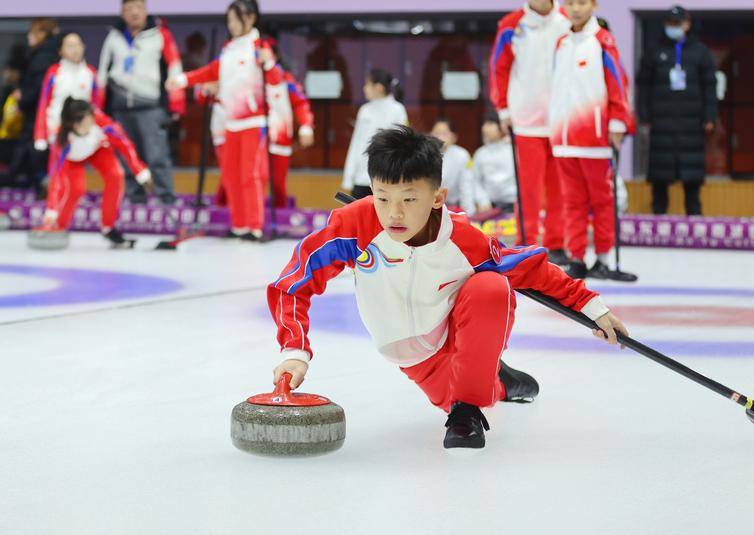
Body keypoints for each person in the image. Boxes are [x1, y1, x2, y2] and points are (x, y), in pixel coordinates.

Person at [267, 125, 629, 449]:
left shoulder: (461, 237)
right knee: (463, 391)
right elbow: (293, 282)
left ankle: (468, 411)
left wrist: (593, 307)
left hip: (459, 322)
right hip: (414, 352)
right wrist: (294, 350)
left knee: (491, 289)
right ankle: (498, 380)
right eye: (382, 197)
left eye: (409, 199)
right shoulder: (354, 224)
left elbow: (528, 267)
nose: (394, 214)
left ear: (437, 197)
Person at [166, 0, 283, 241]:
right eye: (228, 20)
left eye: (235, 19)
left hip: (253, 122)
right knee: (231, 175)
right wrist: (183, 80)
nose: (231, 24)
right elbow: (211, 71)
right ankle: (239, 225)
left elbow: (275, 80)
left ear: (250, 18)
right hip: (231, 123)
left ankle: (254, 226)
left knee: (250, 175)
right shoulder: (229, 49)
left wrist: (268, 62)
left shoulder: (259, 46)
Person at [549, 0, 634, 280]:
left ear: (594, 5)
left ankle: (603, 258)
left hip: (595, 140)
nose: (575, 8)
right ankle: (577, 258)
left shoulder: (603, 41)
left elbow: (618, 83)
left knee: (601, 201)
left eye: (582, 2)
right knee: (571, 202)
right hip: (563, 138)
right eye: (570, 2)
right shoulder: (560, 43)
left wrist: (618, 122)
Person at [489, 0, 569, 263]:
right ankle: (527, 241)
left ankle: (557, 244)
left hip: (562, 117)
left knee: (560, 187)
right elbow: (498, 68)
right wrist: (502, 108)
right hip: (526, 119)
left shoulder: (568, 19)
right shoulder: (511, 24)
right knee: (529, 188)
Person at [98, 0, 184, 205]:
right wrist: (99, 109)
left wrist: (176, 104)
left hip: (151, 106)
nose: (134, 12)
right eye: (129, 9)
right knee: (126, 156)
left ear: (146, 10)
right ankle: (135, 197)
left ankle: (166, 197)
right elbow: (102, 74)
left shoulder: (160, 35)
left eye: (138, 7)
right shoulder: (114, 37)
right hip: (120, 108)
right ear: (122, 12)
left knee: (157, 155)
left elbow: (174, 69)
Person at [636, 5, 717, 216]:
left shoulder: (700, 52)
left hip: (691, 126)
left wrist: (710, 116)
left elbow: (710, 86)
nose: (674, 28)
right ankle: (658, 226)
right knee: (659, 183)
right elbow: (642, 86)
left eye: (678, 24)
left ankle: (695, 226)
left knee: (692, 184)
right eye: (670, 24)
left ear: (687, 24)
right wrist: (644, 115)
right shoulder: (654, 52)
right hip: (661, 126)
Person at [36, 98, 151, 247]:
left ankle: (108, 228)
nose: (92, 123)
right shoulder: (61, 142)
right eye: (86, 122)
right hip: (73, 160)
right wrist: (51, 212)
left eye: (92, 118)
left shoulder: (103, 124)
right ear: (74, 125)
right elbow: (56, 180)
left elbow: (125, 145)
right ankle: (58, 225)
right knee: (76, 190)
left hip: (98, 150)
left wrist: (140, 172)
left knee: (116, 176)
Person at [33, 33, 103, 180]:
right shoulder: (54, 73)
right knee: (58, 173)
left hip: (83, 129)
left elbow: (96, 106)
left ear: (84, 47)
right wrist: (40, 135)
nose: (75, 50)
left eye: (78, 45)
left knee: (79, 174)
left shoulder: (91, 73)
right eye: (70, 46)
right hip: (58, 129)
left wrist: (96, 128)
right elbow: (43, 103)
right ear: (61, 51)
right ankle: (55, 201)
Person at [5, 19, 59, 191]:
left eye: (33, 32)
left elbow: (38, 89)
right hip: (40, 113)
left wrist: (22, 100)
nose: (29, 37)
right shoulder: (46, 54)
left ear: (42, 34)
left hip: (37, 114)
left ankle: (34, 185)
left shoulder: (43, 57)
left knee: (32, 151)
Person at [341, 68, 408, 199]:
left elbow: (402, 145)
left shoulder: (398, 110)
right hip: (361, 178)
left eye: (367, 84)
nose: (364, 88)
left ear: (378, 87)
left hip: (386, 178)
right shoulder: (364, 110)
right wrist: (348, 178)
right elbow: (356, 144)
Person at [266, 58, 314, 208]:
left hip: (279, 139)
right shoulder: (248, 76)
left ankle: (278, 217)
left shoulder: (286, 80)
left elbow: (301, 103)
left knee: (278, 184)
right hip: (253, 137)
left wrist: (306, 126)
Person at [430, 118, 476, 214]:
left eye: (444, 133)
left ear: (454, 137)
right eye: (436, 133)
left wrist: (468, 212)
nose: (439, 137)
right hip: (430, 206)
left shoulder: (462, 155)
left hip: (454, 206)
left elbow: (466, 185)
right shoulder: (424, 154)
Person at [472, 113, 516, 213]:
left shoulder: (513, 150)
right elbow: (475, 180)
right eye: (485, 124)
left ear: (502, 127)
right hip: (489, 207)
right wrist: (483, 200)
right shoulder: (480, 153)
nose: (486, 128)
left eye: (491, 123)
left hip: (512, 205)